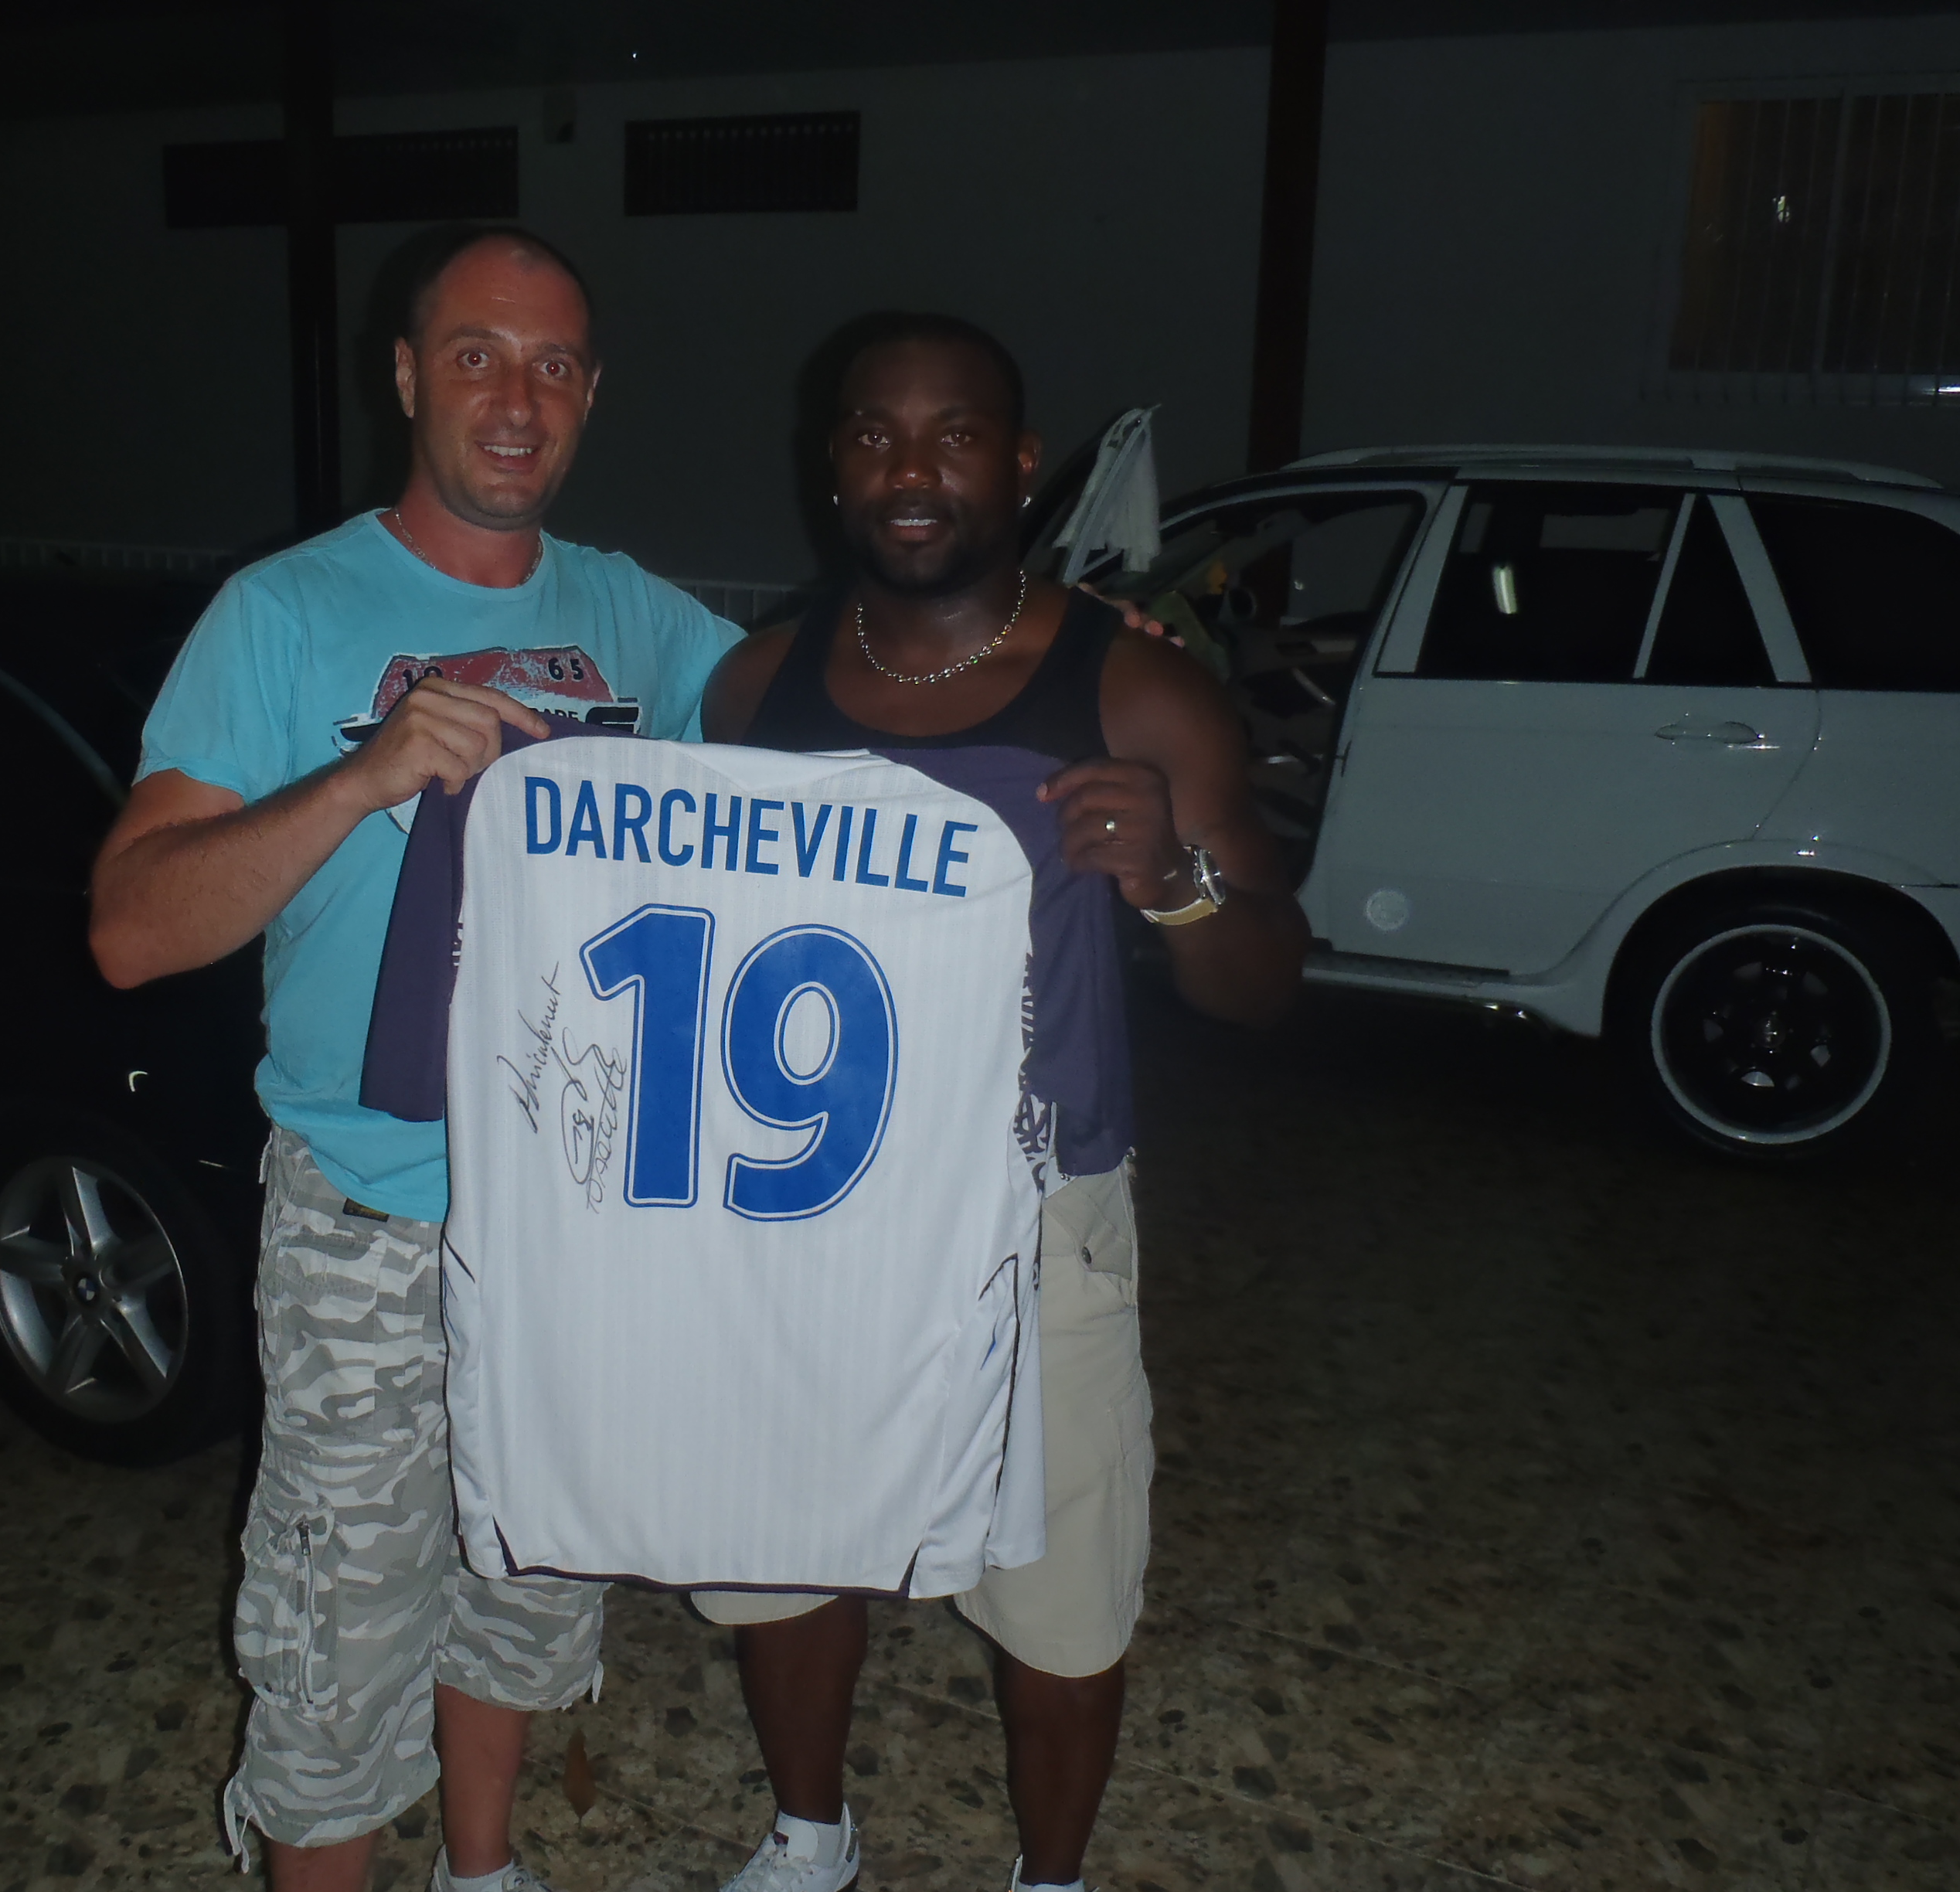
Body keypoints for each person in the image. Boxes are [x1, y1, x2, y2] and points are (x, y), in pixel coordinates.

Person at [89, 226, 737, 1892]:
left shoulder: (637, 616)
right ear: (404, 374)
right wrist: (359, 780)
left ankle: (482, 1868)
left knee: (528, 1580)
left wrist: (1018, 642)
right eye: (475, 356)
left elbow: (825, 730)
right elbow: (132, 930)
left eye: (554, 365)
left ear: (591, 392)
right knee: (337, 1644)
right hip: (371, 1219)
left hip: (576, 1222)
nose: (517, 400)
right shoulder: (282, 612)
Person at [692, 312, 1309, 1892]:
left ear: (1021, 465)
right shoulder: (753, 688)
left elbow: (1264, 981)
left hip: (1032, 1218)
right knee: (786, 1552)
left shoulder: (1139, 691)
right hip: (803, 1209)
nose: (912, 470)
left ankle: (1051, 1879)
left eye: (954, 435)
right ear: (831, 464)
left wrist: (1174, 881)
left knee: (1061, 1588)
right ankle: (810, 1836)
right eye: (874, 434)